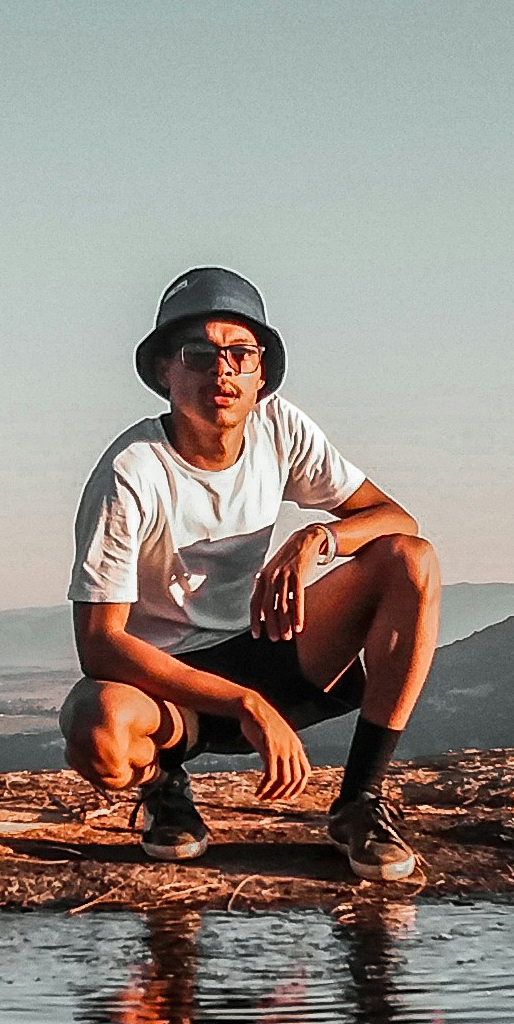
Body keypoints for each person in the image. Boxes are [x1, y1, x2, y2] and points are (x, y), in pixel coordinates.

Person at [60, 266, 442, 881]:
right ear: (165, 371)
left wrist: (319, 537)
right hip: (170, 689)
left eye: (241, 353)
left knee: (409, 560)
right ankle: (164, 788)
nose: (223, 370)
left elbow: (395, 518)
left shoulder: (279, 427)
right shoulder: (131, 471)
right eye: (199, 354)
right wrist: (247, 705)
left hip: (268, 643)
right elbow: (99, 644)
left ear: (261, 373)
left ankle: (360, 801)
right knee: (94, 727)